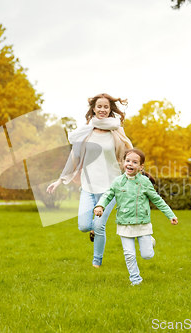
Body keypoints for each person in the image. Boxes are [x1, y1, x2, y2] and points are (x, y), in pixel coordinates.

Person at [46, 93, 133, 268]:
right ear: (93, 108)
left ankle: (96, 262)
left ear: (110, 110)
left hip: (110, 189)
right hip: (88, 187)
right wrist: (59, 180)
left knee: (100, 225)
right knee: (84, 226)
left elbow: (128, 154)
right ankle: (92, 230)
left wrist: (132, 173)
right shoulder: (85, 132)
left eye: (106, 107)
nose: (102, 109)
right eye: (99, 106)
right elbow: (74, 157)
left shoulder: (117, 131)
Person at [94, 148, 178, 285]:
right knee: (129, 254)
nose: (130, 164)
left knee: (147, 255)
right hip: (124, 223)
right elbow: (107, 195)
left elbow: (157, 200)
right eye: (127, 161)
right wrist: (100, 206)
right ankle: (135, 280)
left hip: (142, 223)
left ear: (140, 167)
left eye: (134, 162)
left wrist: (170, 215)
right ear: (123, 163)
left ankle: (150, 242)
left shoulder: (144, 182)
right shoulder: (117, 182)